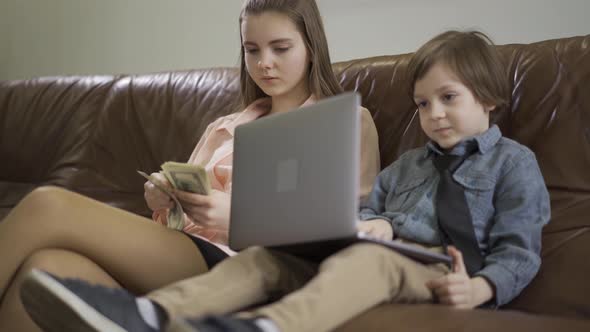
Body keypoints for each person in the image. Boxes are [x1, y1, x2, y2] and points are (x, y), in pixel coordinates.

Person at [20, 29, 550, 332]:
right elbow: (366, 216)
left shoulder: (513, 164)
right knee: (265, 258)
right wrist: (371, 226)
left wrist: (479, 286)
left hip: (439, 274)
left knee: (374, 259)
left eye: (448, 98)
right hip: (369, 256)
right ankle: (154, 313)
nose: (433, 114)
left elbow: (520, 252)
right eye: (422, 103)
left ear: (488, 97)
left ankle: (266, 327)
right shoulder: (407, 166)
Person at [0, 0, 380, 331]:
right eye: (252, 50)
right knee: (43, 268)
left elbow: (343, 228)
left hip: (242, 269)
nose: (264, 64)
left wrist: (238, 216)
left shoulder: (346, 121)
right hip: (183, 256)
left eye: (281, 48)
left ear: (311, 46)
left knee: (48, 205)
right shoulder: (223, 128)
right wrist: (166, 201)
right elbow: (179, 222)